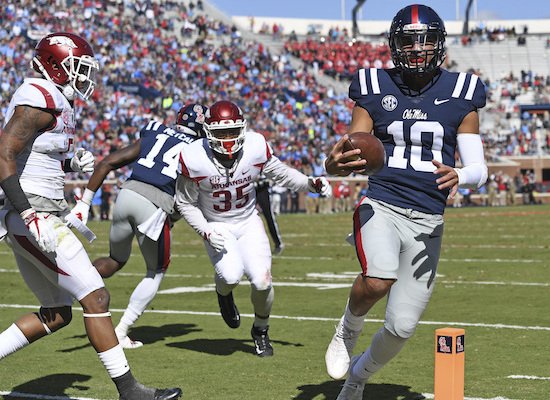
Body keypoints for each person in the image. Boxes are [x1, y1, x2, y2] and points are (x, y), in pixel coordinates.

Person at [0, 32, 182, 399]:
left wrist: (70, 160)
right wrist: (29, 214)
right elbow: (3, 154)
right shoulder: (36, 100)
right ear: (54, 65)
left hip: (37, 211)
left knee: (56, 312)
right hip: (33, 213)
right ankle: (131, 391)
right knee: (96, 298)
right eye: (77, 69)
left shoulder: (54, 101)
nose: (84, 78)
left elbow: (36, 150)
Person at [323, 5, 488, 399]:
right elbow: (353, 147)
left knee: (401, 327)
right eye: (409, 41)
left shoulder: (462, 92)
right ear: (394, 45)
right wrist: (335, 162)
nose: (418, 48)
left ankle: (358, 378)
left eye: (426, 39)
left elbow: (479, 168)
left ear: (440, 43)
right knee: (378, 279)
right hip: (382, 202)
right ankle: (346, 329)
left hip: (428, 218)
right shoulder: (373, 84)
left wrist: (461, 174)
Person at [175, 100, 331, 357]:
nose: (227, 139)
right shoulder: (194, 157)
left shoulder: (255, 146)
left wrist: (310, 184)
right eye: (221, 133)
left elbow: (281, 173)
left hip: (248, 221)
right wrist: (205, 230)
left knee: (262, 282)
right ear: (208, 132)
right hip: (217, 224)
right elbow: (185, 202)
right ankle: (223, 294)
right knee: (230, 276)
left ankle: (260, 330)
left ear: (243, 129)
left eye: (232, 131)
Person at [67, 103, 206, 349]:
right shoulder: (199, 149)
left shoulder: (155, 131)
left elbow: (108, 162)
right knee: (156, 270)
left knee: (114, 260)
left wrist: (85, 203)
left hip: (127, 194)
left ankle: (68, 287)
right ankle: (120, 332)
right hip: (154, 204)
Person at [255, 173, 284, 254]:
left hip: (262, 188)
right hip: (249, 188)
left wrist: (265, 180)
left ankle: (278, 243)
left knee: (269, 217)